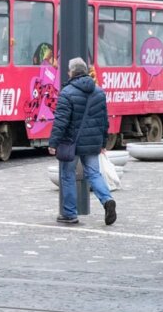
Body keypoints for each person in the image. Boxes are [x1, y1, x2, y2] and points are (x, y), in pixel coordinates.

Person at [48, 57, 117, 226]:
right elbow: (104, 121)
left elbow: (61, 121)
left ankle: (70, 214)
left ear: (72, 72)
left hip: (71, 142)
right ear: (85, 71)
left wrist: (53, 143)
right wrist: (103, 143)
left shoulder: (67, 93)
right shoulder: (99, 92)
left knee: (68, 175)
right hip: (92, 142)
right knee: (94, 173)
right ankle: (107, 199)